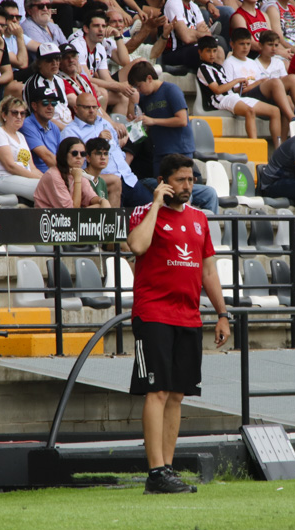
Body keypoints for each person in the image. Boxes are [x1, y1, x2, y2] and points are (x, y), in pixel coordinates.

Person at [127, 153, 229, 495]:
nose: (188, 185)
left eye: (191, 179)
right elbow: (137, 245)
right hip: (153, 314)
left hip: (188, 316)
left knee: (176, 395)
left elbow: (209, 271)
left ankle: (167, 470)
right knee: (156, 390)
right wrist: (156, 203)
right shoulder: (144, 213)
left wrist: (222, 313)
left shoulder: (200, 219)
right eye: (182, 180)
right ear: (165, 182)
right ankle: (155, 472)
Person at [126, 61, 221, 213]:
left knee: (183, 190)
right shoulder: (145, 97)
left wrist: (153, 121)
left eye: (139, 86)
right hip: (160, 153)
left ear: (149, 78)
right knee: (165, 194)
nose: (139, 90)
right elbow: (132, 119)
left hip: (179, 150)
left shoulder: (171, 90)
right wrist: (133, 101)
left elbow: (182, 120)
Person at [63, 93, 152, 207]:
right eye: (87, 107)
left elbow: (116, 148)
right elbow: (74, 165)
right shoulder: (70, 132)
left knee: (154, 212)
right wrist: (97, 143)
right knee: (115, 222)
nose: (91, 111)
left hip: (128, 178)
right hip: (103, 183)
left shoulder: (105, 123)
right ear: (76, 108)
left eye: (94, 107)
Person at [196, 36, 282, 147]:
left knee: (275, 111)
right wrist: (236, 80)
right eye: (208, 51)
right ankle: (255, 148)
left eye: (214, 51)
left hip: (232, 96)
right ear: (200, 52)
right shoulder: (203, 68)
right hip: (220, 100)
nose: (212, 55)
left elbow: (228, 89)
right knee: (249, 111)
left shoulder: (218, 66)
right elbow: (217, 90)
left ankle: (278, 148)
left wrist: (238, 87)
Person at [224, 28, 295, 123]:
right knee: (275, 82)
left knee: (293, 79)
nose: (245, 47)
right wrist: (259, 82)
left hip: (260, 92)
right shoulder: (229, 63)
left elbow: (261, 83)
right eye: (242, 44)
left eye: (248, 44)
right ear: (232, 44)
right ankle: (292, 118)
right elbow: (230, 90)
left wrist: (261, 82)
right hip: (244, 97)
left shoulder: (251, 62)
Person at [0, 95, 41, 200]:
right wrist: (41, 180)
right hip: (3, 179)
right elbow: (10, 166)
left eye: (22, 113)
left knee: (55, 185)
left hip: (23, 178)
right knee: (43, 187)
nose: (19, 116)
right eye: (14, 113)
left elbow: (32, 167)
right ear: (4, 115)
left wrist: (48, 179)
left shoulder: (21, 136)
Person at [33, 136, 110, 208]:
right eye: (74, 153)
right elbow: (72, 210)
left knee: (100, 206)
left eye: (83, 154)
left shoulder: (77, 172)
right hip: (48, 219)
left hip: (67, 218)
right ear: (64, 154)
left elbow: (91, 197)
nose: (79, 157)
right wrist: (77, 179)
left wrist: (102, 200)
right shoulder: (53, 175)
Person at [23, 43, 73, 128]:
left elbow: (64, 107)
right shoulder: (34, 84)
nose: (55, 63)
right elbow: (39, 118)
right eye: (49, 60)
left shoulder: (59, 80)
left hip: (68, 126)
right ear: (39, 63)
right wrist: (67, 131)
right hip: (51, 129)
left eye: (57, 59)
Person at [20, 85, 63, 173]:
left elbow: (60, 155)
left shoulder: (54, 127)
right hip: (38, 175)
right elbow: (46, 156)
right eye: (45, 103)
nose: (50, 107)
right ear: (34, 106)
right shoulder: (26, 125)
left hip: (54, 173)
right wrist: (66, 174)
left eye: (54, 103)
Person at [161, 0, 212, 69]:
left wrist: (193, 33)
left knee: (217, 45)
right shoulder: (173, 2)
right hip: (174, 51)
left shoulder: (194, 6)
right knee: (203, 52)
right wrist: (200, 33)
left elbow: (206, 33)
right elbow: (186, 38)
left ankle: (218, 78)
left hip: (191, 47)